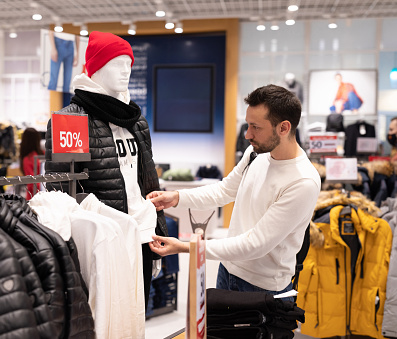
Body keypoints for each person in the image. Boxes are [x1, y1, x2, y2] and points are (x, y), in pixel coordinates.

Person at [147, 84, 321, 302]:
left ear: (284, 128)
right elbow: (225, 190)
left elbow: (255, 244)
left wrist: (185, 247)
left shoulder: (302, 182)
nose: (247, 134)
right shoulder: (255, 154)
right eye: (247, 125)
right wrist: (177, 198)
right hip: (227, 271)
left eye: (255, 127)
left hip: (264, 290)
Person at [44, 31, 168, 308]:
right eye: (117, 63)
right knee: (102, 320)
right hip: (104, 240)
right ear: (97, 67)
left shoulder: (136, 121)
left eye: (129, 64)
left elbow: (149, 183)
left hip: (143, 234)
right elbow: (61, 192)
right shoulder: (70, 120)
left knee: (136, 317)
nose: (125, 71)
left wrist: (158, 232)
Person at [20, 127, 43, 200]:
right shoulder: (43, 155)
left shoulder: (27, 159)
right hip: (41, 195)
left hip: (33, 197)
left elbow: (31, 183)